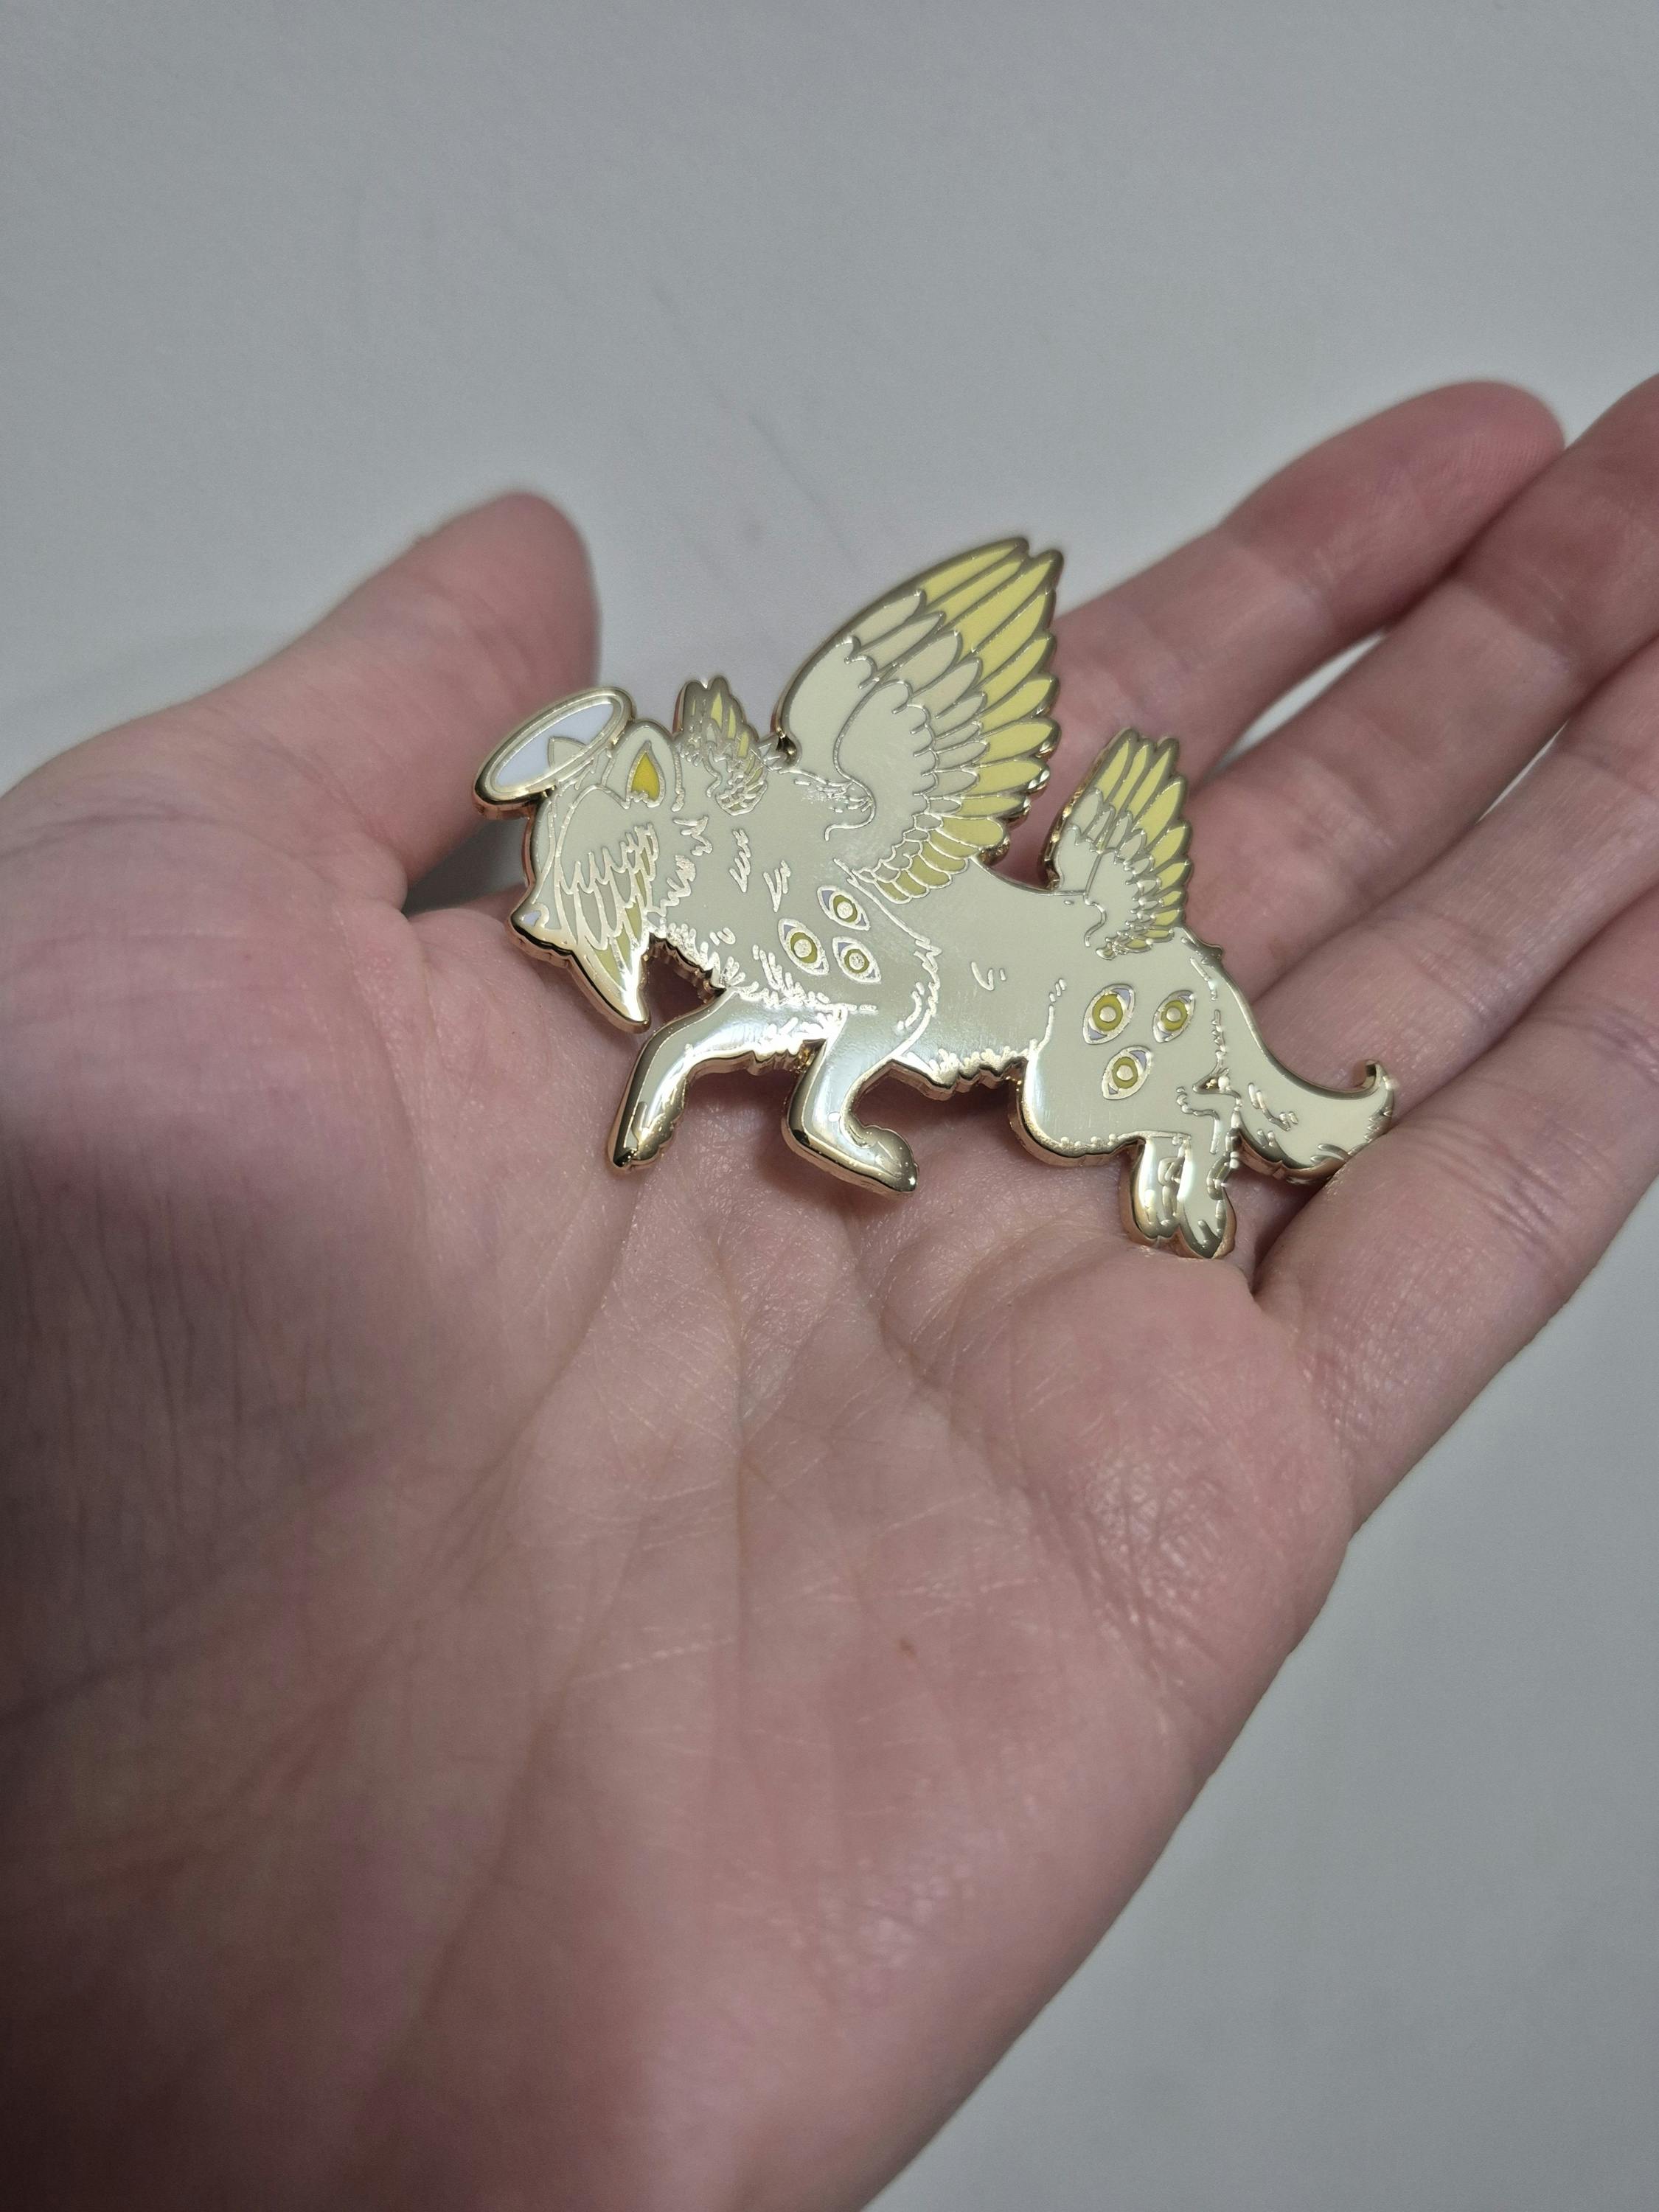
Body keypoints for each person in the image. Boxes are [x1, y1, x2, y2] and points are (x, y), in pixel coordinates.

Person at [2, 375, 1656, 2212]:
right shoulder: (757, 903)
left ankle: (1188, 1143)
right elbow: (814, 1000)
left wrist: (792, 1088)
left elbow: (865, 993)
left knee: (1075, 1095)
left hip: (1025, 994)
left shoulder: (831, 826)